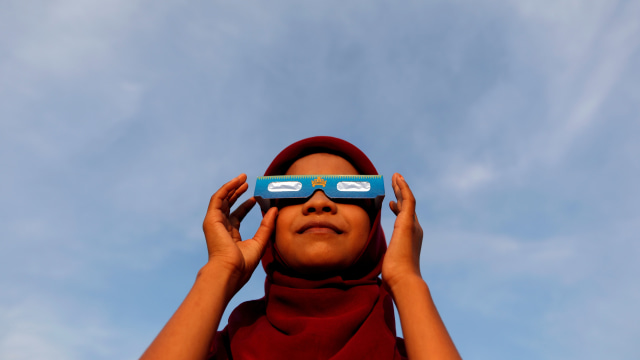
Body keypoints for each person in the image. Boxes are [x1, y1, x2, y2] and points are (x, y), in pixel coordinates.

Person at [141, 136, 461, 360]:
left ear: (375, 220)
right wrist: (220, 271)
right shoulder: (220, 351)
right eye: (294, 192)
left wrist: (407, 280)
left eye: (347, 191)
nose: (319, 202)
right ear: (269, 220)